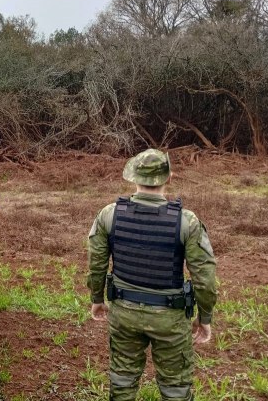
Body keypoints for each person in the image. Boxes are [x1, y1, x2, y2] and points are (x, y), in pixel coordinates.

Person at [86, 149, 216, 401]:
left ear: (133, 177)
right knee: (176, 388)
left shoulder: (109, 214)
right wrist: (205, 317)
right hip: (170, 320)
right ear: (168, 178)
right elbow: (205, 277)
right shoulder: (186, 221)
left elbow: (96, 264)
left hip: (123, 313)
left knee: (122, 381)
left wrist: (96, 299)